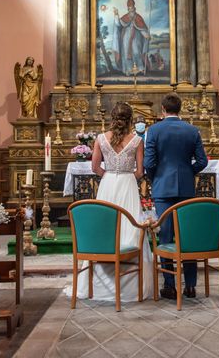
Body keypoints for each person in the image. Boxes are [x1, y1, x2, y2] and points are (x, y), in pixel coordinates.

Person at [73, 102, 153, 301]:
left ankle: (100, 279)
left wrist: (109, 175)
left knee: (105, 226)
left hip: (108, 184)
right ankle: (132, 281)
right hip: (127, 184)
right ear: (130, 120)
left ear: (112, 118)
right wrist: (127, 176)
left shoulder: (100, 138)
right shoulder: (137, 140)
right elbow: (140, 171)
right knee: (130, 225)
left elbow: (94, 167)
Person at [144, 93, 208, 299]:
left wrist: (156, 178)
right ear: (179, 109)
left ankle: (170, 285)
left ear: (163, 109)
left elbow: (148, 163)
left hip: (163, 189)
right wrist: (189, 172)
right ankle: (190, 286)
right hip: (186, 188)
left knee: (165, 237)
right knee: (186, 235)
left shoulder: (153, 130)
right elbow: (202, 161)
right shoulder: (191, 130)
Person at [112, 0, 151, 76]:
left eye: (132, 8)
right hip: (126, 39)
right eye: (129, 9)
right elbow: (118, 25)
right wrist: (116, 15)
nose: (131, 10)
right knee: (126, 54)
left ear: (134, 8)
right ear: (128, 9)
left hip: (136, 39)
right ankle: (128, 70)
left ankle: (140, 68)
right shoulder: (125, 17)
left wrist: (145, 35)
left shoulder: (138, 17)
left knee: (137, 52)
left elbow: (142, 28)